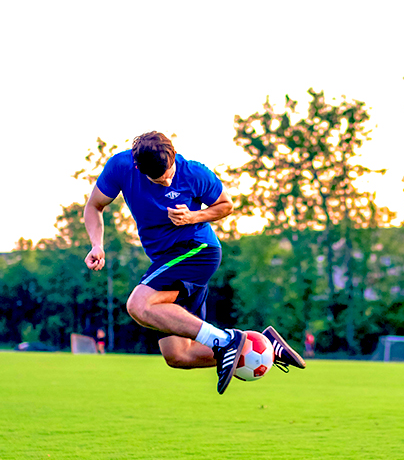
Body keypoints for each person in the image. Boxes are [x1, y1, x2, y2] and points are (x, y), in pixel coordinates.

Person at [83, 131, 305, 394]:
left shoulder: (195, 174)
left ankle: (226, 340)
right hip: (167, 259)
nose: (165, 182)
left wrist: (193, 216)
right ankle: (265, 348)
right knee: (178, 355)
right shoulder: (120, 167)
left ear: (174, 155)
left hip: (197, 250)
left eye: (168, 173)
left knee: (138, 305)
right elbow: (94, 206)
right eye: (157, 179)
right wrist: (97, 244)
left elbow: (225, 205)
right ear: (137, 167)